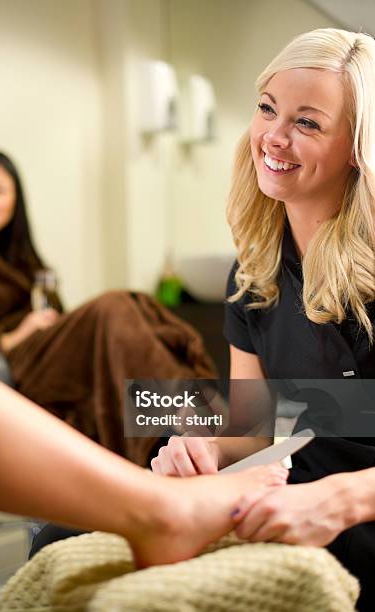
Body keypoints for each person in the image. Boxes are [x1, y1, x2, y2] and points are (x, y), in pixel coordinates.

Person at [151, 28, 375, 611]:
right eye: (267, 109)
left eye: (307, 122)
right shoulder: (255, 274)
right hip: (302, 512)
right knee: (63, 539)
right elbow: (253, 426)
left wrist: (344, 499)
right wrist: (200, 448)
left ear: (357, 147)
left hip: (355, 520)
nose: (273, 137)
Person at [0, 294, 287, 591]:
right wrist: (16, 335)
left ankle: (186, 447)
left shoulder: (23, 262)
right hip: (9, 358)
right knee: (113, 315)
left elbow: (261, 431)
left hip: (50, 354)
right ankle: (172, 480)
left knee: (125, 317)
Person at [0, 148, 216, 467]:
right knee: (114, 308)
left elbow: (59, 320)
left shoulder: (23, 261)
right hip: (6, 373)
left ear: (15, 201)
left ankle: (209, 432)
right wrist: (11, 337)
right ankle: (187, 436)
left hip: (47, 363)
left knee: (135, 319)